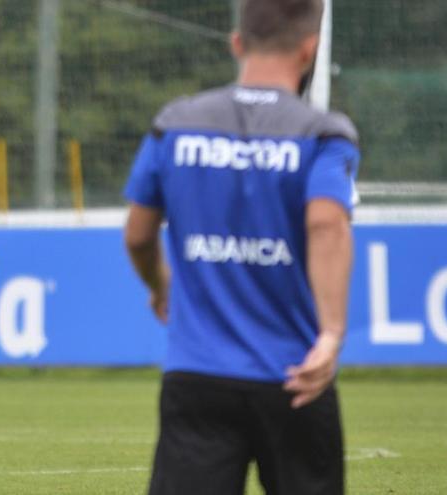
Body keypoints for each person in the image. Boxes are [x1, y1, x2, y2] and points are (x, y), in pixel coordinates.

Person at [123, 0, 358, 494]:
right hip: (296, 374)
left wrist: (159, 285)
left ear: (236, 43)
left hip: (198, 374)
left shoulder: (176, 123)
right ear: (309, 49)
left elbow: (140, 235)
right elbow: (327, 226)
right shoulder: (322, 134)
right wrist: (332, 333)